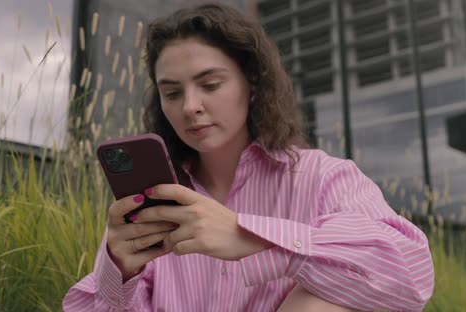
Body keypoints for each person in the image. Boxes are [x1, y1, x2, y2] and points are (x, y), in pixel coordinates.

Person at [63, 3, 434, 311]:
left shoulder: (321, 177)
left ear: (252, 84)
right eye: (172, 93)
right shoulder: (156, 201)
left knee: (322, 300)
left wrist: (258, 239)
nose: (191, 107)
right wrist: (119, 275)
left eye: (210, 85)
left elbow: (412, 274)